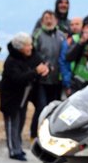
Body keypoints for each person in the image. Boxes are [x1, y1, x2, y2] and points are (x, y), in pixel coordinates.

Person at [0, 32, 47, 160]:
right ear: (20, 48)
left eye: (30, 45)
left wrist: (46, 68)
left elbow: (41, 62)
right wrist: (35, 71)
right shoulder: (11, 61)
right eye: (27, 45)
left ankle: (18, 147)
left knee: (19, 123)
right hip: (11, 98)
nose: (30, 47)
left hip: (23, 98)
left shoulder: (31, 55)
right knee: (12, 124)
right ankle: (13, 151)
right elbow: (18, 79)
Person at [30, 9, 71, 139]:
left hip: (56, 79)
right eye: (46, 18)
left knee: (54, 110)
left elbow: (64, 57)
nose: (49, 20)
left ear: (56, 20)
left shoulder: (61, 36)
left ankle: (49, 136)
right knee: (41, 108)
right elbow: (32, 53)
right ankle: (34, 135)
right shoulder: (37, 34)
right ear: (42, 21)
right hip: (41, 79)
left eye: (51, 18)